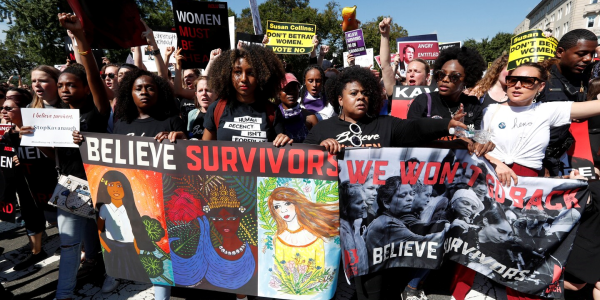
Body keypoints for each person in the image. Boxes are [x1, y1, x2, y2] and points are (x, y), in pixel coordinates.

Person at [21, 13, 111, 300]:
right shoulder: (57, 116)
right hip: (71, 184)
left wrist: (80, 38)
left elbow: (94, 76)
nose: (65, 89)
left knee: (110, 237)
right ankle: (64, 293)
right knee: (71, 244)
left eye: (71, 85)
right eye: (61, 86)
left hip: (103, 185)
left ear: (86, 87)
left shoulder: (96, 109)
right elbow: (52, 155)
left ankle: (112, 274)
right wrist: (35, 137)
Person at [73, 67, 185, 296]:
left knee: (158, 246)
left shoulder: (172, 121)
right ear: (129, 93)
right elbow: (108, 157)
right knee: (117, 236)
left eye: (150, 88)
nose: (144, 92)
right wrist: (84, 141)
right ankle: (114, 273)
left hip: (159, 198)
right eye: (138, 88)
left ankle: (162, 290)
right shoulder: (122, 123)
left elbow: (187, 161)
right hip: (127, 195)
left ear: (159, 92)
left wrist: (182, 138)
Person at [483, 62, 600, 187]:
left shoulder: (547, 110)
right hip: (492, 183)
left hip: (529, 188)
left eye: (527, 81)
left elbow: (595, 107)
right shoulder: (490, 110)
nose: (517, 86)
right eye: (512, 80)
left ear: (541, 86)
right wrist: (496, 163)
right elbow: (477, 149)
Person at [304, 66, 467, 153]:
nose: (361, 97)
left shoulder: (386, 125)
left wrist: (446, 125)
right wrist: (319, 149)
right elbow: (299, 159)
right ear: (340, 99)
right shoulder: (322, 129)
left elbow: (416, 127)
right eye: (354, 93)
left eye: (365, 93)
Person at [362, 176, 446, 299]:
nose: (410, 199)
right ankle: (410, 290)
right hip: (373, 281)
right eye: (402, 196)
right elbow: (427, 243)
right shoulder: (388, 223)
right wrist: (450, 227)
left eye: (411, 194)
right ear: (386, 202)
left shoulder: (391, 219)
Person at [203, 44, 292, 147]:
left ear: (262, 76)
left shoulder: (272, 112)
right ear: (228, 74)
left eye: (251, 73)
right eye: (237, 72)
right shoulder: (217, 108)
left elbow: (280, 153)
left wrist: (283, 140)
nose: (243, 79)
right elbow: (205, 153)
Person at [2, 88, 51, 271]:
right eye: (3, 108)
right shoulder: (8, 135)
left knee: (57, 219)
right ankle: (36, 252)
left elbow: (54, 155)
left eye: (8, 107)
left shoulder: (39, 128)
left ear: (24, 109)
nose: (3, 111)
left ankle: (86, 251)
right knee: (30, 217)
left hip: (46, 182)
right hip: (25, 186)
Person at [538, 29, 598, 176]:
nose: (588, 59)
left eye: (592, 54)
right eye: (581, 53)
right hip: (540, 160)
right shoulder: (540, 77)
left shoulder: (583, 79)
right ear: (560, 52)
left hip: (574, 157)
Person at [407, 46, 487, 134]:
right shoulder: (423, 101)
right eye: (441, 74)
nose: (445, 79)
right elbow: (410, 136)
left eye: (454, 76)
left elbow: (475, 136)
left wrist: (479, 143)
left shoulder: (473, 104)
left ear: (466, 80)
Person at [97, 171, 152, 283]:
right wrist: (108, 248)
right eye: (111, 185)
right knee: (115, 269)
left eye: (119, 185)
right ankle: (113, 278)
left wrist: (136, 248)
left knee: (136, 273)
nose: (115, 189)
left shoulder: (130, 208)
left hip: (130, 247)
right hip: (113, 246)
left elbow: (136, 228)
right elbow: (100, 230)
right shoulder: (104, 208)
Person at [267, 187, 339, 272]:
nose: (283, 210)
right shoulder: (279, 239)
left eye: (287, 203)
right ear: (274, 211)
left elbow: (320, 270)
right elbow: (280, 272)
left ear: (296, 203)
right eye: (277, 206)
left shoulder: (315, 236)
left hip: (315, 284)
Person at [339, 181, 369, 277]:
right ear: (344, 207)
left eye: (364, 201)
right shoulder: (344, 233)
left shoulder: (355, 227)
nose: (365, 205)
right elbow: (359, 268)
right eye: (359, 202)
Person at [278, 73, 318, 143]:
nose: (291, 92)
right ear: (278, 93)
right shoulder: (273, 116)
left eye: (294, 89)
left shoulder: (310, 117)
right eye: (286, 89)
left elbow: (320, 143)